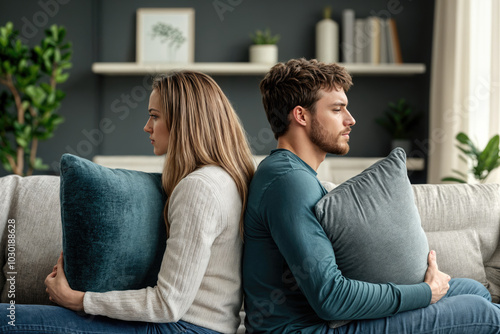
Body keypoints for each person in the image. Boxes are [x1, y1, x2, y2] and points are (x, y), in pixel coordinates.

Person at [242, 58, 500, 333]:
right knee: (481, 312)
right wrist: (426, 292)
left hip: (323, 321)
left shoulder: (295, 174)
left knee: (472, 289)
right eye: (337, 109)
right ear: (301, 116)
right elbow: (331, 298)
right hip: (305, 329)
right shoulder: (287, 182)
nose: (350, 119)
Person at [0, 71, 255, 333]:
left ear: (184, 122)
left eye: (155, 116)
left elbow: (167, 304)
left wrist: (78, 300)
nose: (147, 126)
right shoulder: (226, 178)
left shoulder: (200, 188)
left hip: (186, 328)